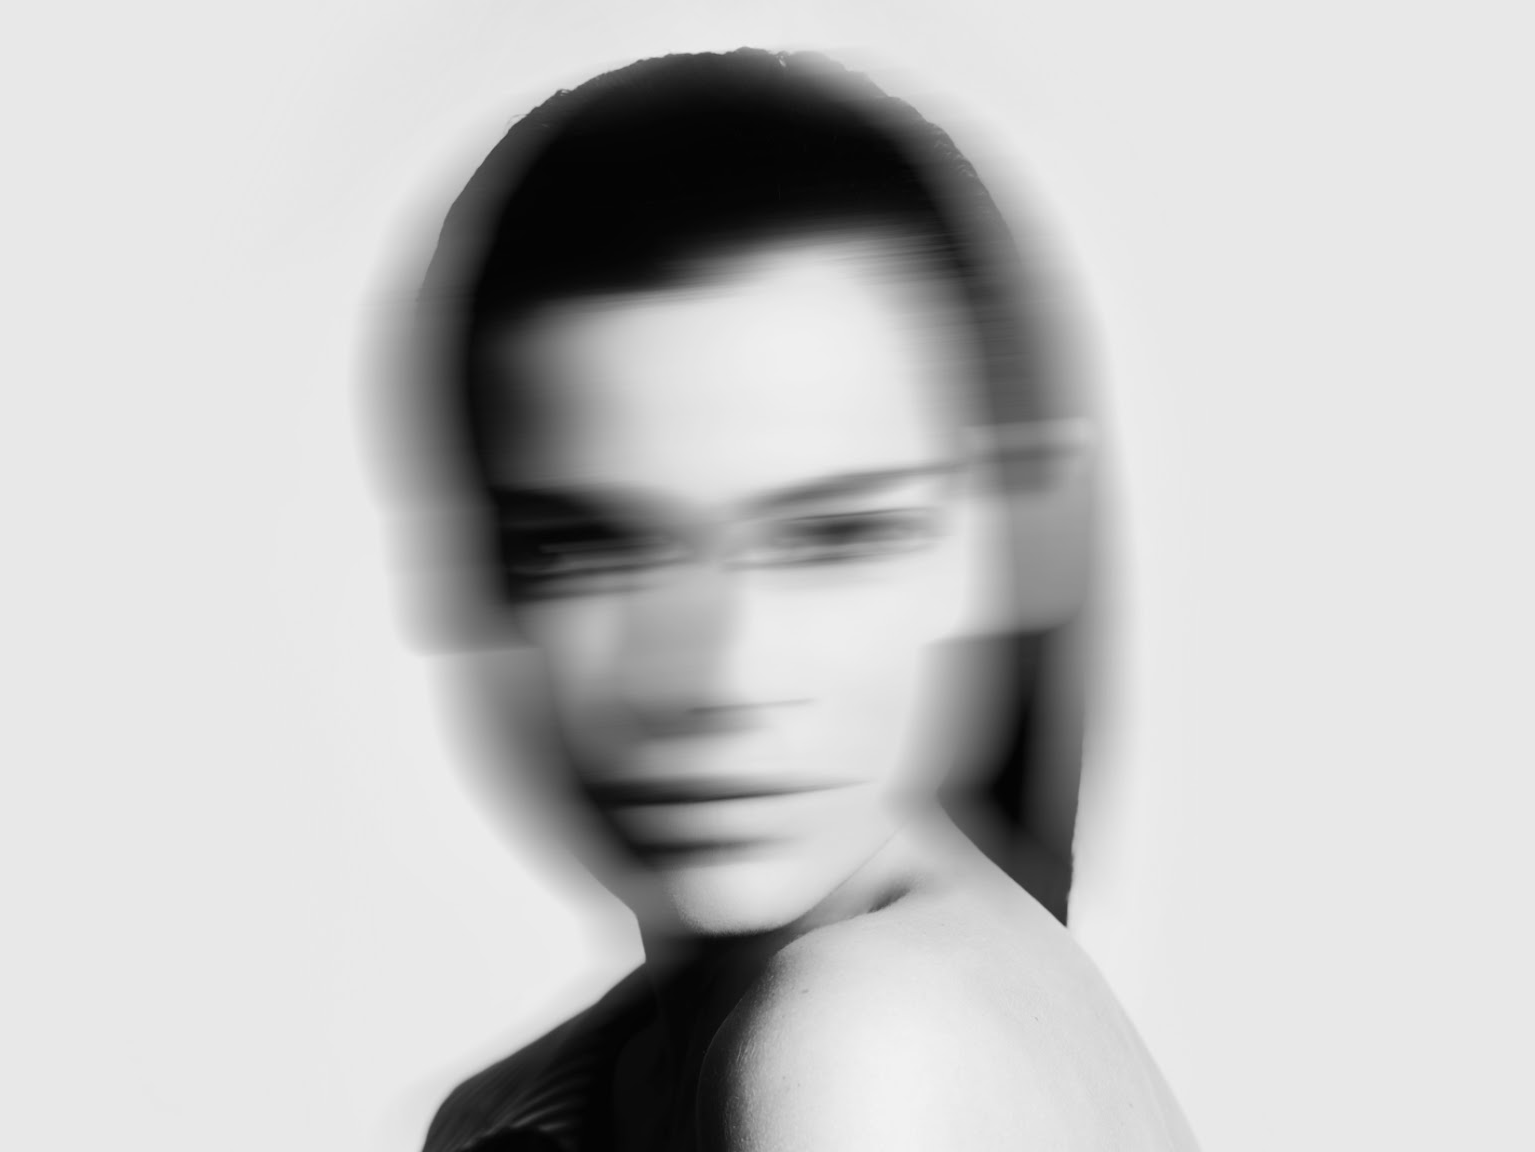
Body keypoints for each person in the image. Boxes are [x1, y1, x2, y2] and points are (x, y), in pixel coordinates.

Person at [386, 48, 1197, 1152]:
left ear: (1019, 539)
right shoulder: (565, 1089)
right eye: (588, 548)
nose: (711, 675)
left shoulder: (870, 1051)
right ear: (472, 568)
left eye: (832, 537)